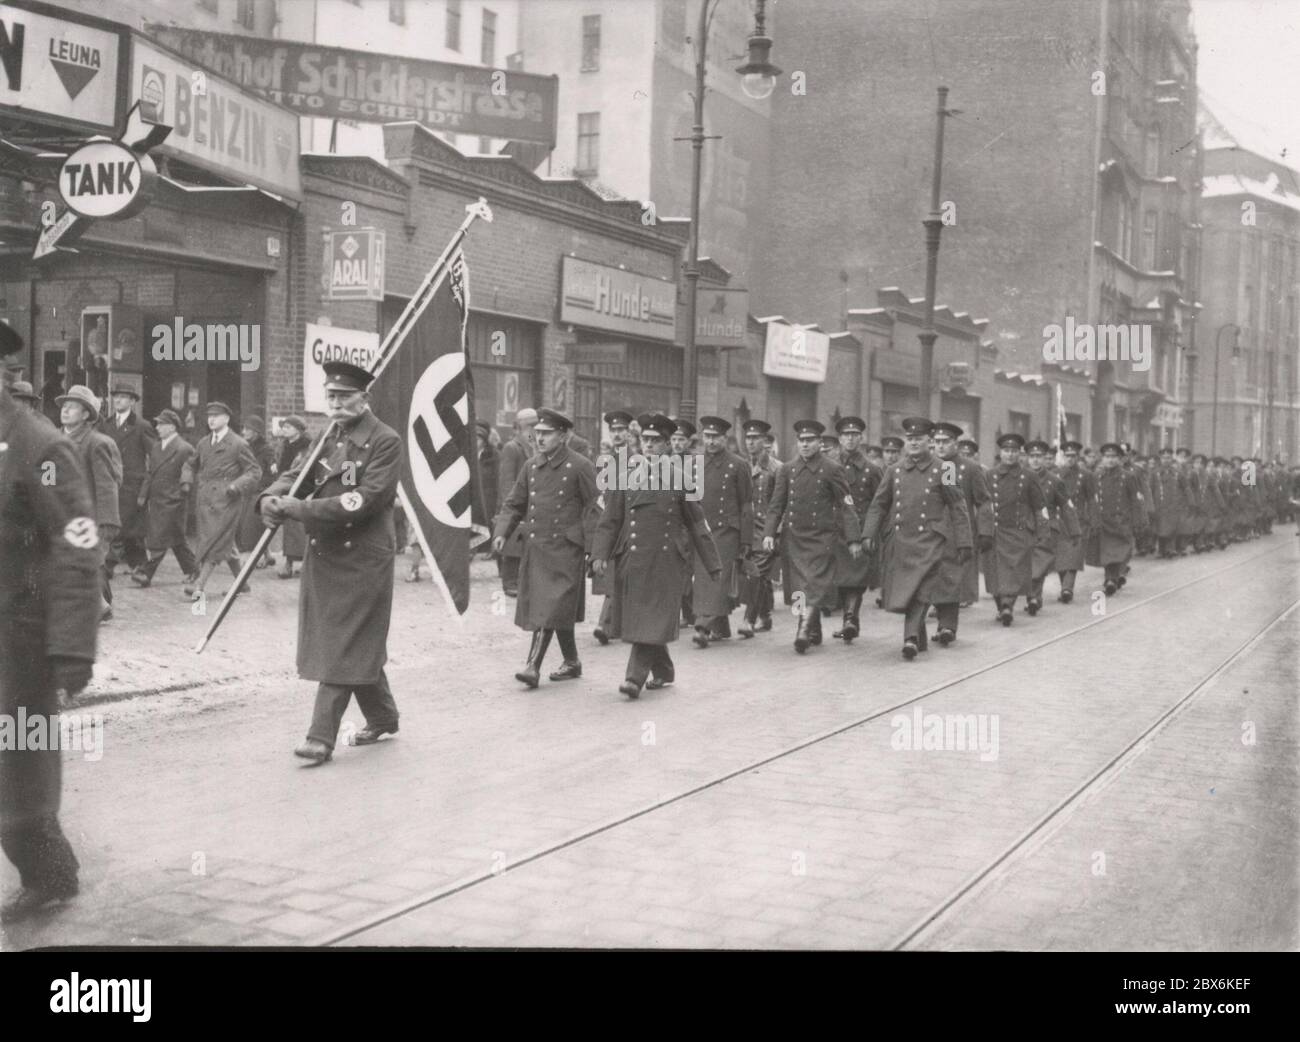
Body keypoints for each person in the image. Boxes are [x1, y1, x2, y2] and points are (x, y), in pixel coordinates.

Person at [0, 324, 101, 924]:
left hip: (17, 637)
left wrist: (70, 648)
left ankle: (50, 873)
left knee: (18, 767)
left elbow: (77, 544)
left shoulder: (39, 447)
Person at [259, 361, 402, 765]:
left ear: (364, 398)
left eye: (344, 396)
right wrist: (270, 498)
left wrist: (299, 508)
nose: (336, 404)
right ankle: (383, 714)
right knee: (350, 642)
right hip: (326, 555)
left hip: (363, 558)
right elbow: (296, 475)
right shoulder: (329, 437)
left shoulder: (385, 441)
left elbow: (364, 500)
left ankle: (320, 737)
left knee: (343, 643)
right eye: (331, 396)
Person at [591, 414, 720, 699]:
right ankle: (663, 670)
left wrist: (712, 563)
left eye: (656, 441)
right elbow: (610, 520)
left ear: (666, 446)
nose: (649, 446)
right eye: (645, 440)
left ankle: (633, 678)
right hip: (633, 560)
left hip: (666, 562)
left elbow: (697, 523)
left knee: (650, 619)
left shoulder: (680, 479)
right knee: (645, 619)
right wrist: (599, 553)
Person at [493, 408, 600, 687]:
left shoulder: (580, 465)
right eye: (536, 433)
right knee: (552, 608)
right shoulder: (531, 466)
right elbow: (515, 503)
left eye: (546, 434)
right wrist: (502, 531)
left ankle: (532, 667)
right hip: (537, 547)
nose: (539, 439)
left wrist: (593, 548)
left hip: (566, 549)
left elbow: (595, 508)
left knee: (550, 607)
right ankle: (572, 661)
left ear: (563, 436)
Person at [862, 417, 973, 658]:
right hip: (902, 540)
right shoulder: (894, 471)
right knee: (908, 591)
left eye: (919, 439)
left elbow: (957, 505)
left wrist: (964, 540)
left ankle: (910, 637)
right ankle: (919, 636)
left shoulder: (944, 469)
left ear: (929, 441)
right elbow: (879, 505)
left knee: (922, 588)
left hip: (930, 540)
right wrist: (868, 533)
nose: (913, 443)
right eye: (910, 439)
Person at [762, 420, 863, 653]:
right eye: (801, 441)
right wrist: (769, 533)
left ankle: (803, 630)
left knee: (814, 584)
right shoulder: (786, 470)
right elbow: (776, 505)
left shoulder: (832, 469)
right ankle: (810, 627)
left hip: (822, 538)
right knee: (799, 587)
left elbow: (846, 505)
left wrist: (854, 538)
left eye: (810, 441)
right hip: (794, 537)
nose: (805, 445)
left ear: (819, 443)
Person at [56, 385, 122, 623]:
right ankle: (100, 605)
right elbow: (47, 476)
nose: (65, 410)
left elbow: (107, 485)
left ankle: (98, 606)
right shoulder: (53, 439)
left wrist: (107, 522)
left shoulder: (97, 443)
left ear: (86, 415)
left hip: (89, 516)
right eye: (64, 406)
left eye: (73, 407)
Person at [184, 402, 262, 602]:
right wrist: (186, 480)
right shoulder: (203, 443)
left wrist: (236, 486)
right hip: (205, 500)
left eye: (216, 416)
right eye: (209, 416)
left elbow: (254, 471)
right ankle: (242, 583)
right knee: (225, 544)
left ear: (226, 419)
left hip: (227, 500)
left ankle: (199, 585)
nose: (211, 420)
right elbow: (190, 463)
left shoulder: (237, 443)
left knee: (216, 541)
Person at [691, 416, 753, 648]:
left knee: (717, 576)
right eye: (707, 436)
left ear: (725, 439)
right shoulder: (694, 463)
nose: (711, 441)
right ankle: (721, 626)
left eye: (716, 437)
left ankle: (703, 625)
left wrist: (746, 539)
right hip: (701, 529)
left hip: (727, 530)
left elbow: (746, 504)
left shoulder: (738, 465)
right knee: (704, 578)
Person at [982, 432, 1047, 625]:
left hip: (1018, 532)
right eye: (1006, 451)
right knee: (995, 574)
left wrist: (1043, 531)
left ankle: (1007, 606)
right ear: (1000, 453)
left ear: (1019, 454)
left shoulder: (1029, 476)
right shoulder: (989, 475)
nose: (1010, 455)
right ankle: (1001, 605)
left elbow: (1040, 506)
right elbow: (982, 505)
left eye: (1013, 451)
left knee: (1013, 573)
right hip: (994, 531)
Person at [131, 409, 198, 588]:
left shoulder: (184, 448)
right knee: (177, 540)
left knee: (160, 537)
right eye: (157, 424)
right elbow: (150, 472)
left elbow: (189, 474)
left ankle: (146, 573)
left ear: (172, 427)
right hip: (158, 499)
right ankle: (194, 570)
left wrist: (181, 493)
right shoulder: (156, 447)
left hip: (174, 501)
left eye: (162, 424)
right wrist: (143, 495)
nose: (158, 427)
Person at [830, 416, 882, 642]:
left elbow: (880, 502)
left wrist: (871, 532)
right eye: (845, 435)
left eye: (854, 435)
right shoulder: (829, 465)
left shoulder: (871, 470)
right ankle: (849, 621)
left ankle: (850, 618)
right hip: (833, 530)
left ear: (861, 438)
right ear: (839, 439)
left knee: (856, 578)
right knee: (840, 578)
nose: (850, 439)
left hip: (860, 530)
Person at [934, 422, 992, 613]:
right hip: (934, 530)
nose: (941, 446)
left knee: (958, 571)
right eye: (937, 441)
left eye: (946, 441)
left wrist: (985, 531)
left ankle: (951, 608)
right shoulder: (930, 467)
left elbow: (984, 501)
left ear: (955, 444)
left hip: (961, 529)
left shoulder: (971, 468)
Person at [100, 385, 156, 580]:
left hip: (132, 485)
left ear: (132, 402)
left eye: (123, 398)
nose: (118, 401)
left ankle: (109, 564)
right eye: (116, 397)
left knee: (124, 525)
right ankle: (140, 565)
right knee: (128, 528)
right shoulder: (105, 425)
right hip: (111, 482)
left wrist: (146, 487)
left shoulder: (142, 426)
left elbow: (154, 457)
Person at [591, 409, 633, 643]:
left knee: (622, 575)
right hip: (612, 522)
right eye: (614, 430)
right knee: (614, 574)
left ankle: (607, 624)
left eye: (621, 430)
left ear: (629, 433)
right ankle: (607, 624)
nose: (617, 434)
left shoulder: (636, 460)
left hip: (629, 524)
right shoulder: (607, 461)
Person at [1024, 440, 1079, 615]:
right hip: (1024, 527)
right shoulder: (1020, 478)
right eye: (1032, 456)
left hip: (1048, 527)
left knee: (1039, 564)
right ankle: (1033, 597)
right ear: (1027, 458)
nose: (1035, 460)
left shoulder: (1055, 481)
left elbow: (1066, 506)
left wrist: (1075, 530)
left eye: (1039, 457)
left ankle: (1034, 597)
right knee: (1028, 564)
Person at [1086, 443, 1142, 594]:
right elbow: (1091, 499)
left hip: (1121, 521)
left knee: (1117, 552)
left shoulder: (1128, 476)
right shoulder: (1096, 476)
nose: (1110, 460)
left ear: (1119, 459)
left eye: (1113, 457)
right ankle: (1110, 579)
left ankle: (1112, 578)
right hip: (1103, 520)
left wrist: (1138, 521)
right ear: (1102, 459)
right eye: (1107, 457)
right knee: (1106, 552)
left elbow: (1135, 500)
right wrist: (1091, 517)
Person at [739, 419, 779, 635]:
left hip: (767, 531)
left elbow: (781, 503)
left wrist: (776, 532)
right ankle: (765, 616)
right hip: (747, 530)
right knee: (759, 576)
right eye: (748, 438)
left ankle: (748, 620)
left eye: (756, 438)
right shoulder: (742, 465)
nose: (751, 442)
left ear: (765, 442)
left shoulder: (776, 469)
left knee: (757, 573)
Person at [495, 408, 537, 597]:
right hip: (516, 504)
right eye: (530, 426)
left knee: (522, 543)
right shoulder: (512, 447)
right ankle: (509, 582)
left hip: (529, 503)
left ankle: (519, 581)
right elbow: (506, 482)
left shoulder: (533, 446)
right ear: (519, 428)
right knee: (512, 542)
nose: (534, 430)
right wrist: (511, 509)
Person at [1053, 441, 1096, 602]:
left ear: (1078, 457)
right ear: (1063, 457)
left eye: (1073, 456)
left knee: (1073, 557)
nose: (1070, 459)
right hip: (1059, 522)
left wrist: (1094, 520)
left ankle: (1067, 588)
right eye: (1067, 456)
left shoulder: (1086, 476)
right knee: (1061, 558)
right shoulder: (1056, 474)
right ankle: (1065, 586)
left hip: (1079, 522)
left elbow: (1092, 500)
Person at [237, 416, 278, 569]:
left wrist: (262, 488)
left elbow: (272, 472)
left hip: (261, 490)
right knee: (243, 522)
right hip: (247, 489)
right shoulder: (245, 446)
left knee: (251, 523)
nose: (243, 432)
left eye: (248, 429)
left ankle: (256, 556)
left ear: (257, 432)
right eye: (244, 429)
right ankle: (266, 554)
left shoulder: (267, 450)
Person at [275, 417, 311, 578]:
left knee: (303, 527)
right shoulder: (283, 445)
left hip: (303, 489)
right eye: (284, 427)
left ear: (298, 429)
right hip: (286, 487)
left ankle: (305, 563)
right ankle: (289, 563)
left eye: (288, 427)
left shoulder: (307, 447)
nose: (285, 429)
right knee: (289, 526)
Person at [670, 419, 698, 627]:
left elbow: (698, 495)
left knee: (686, 567)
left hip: (688, 522)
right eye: (674, 439)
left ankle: (687, 612)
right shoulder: (665, 461)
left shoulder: (696, 464)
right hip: (670, 522)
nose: (677, 443)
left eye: (681, 439)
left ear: (689, 442)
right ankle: (687, 612)